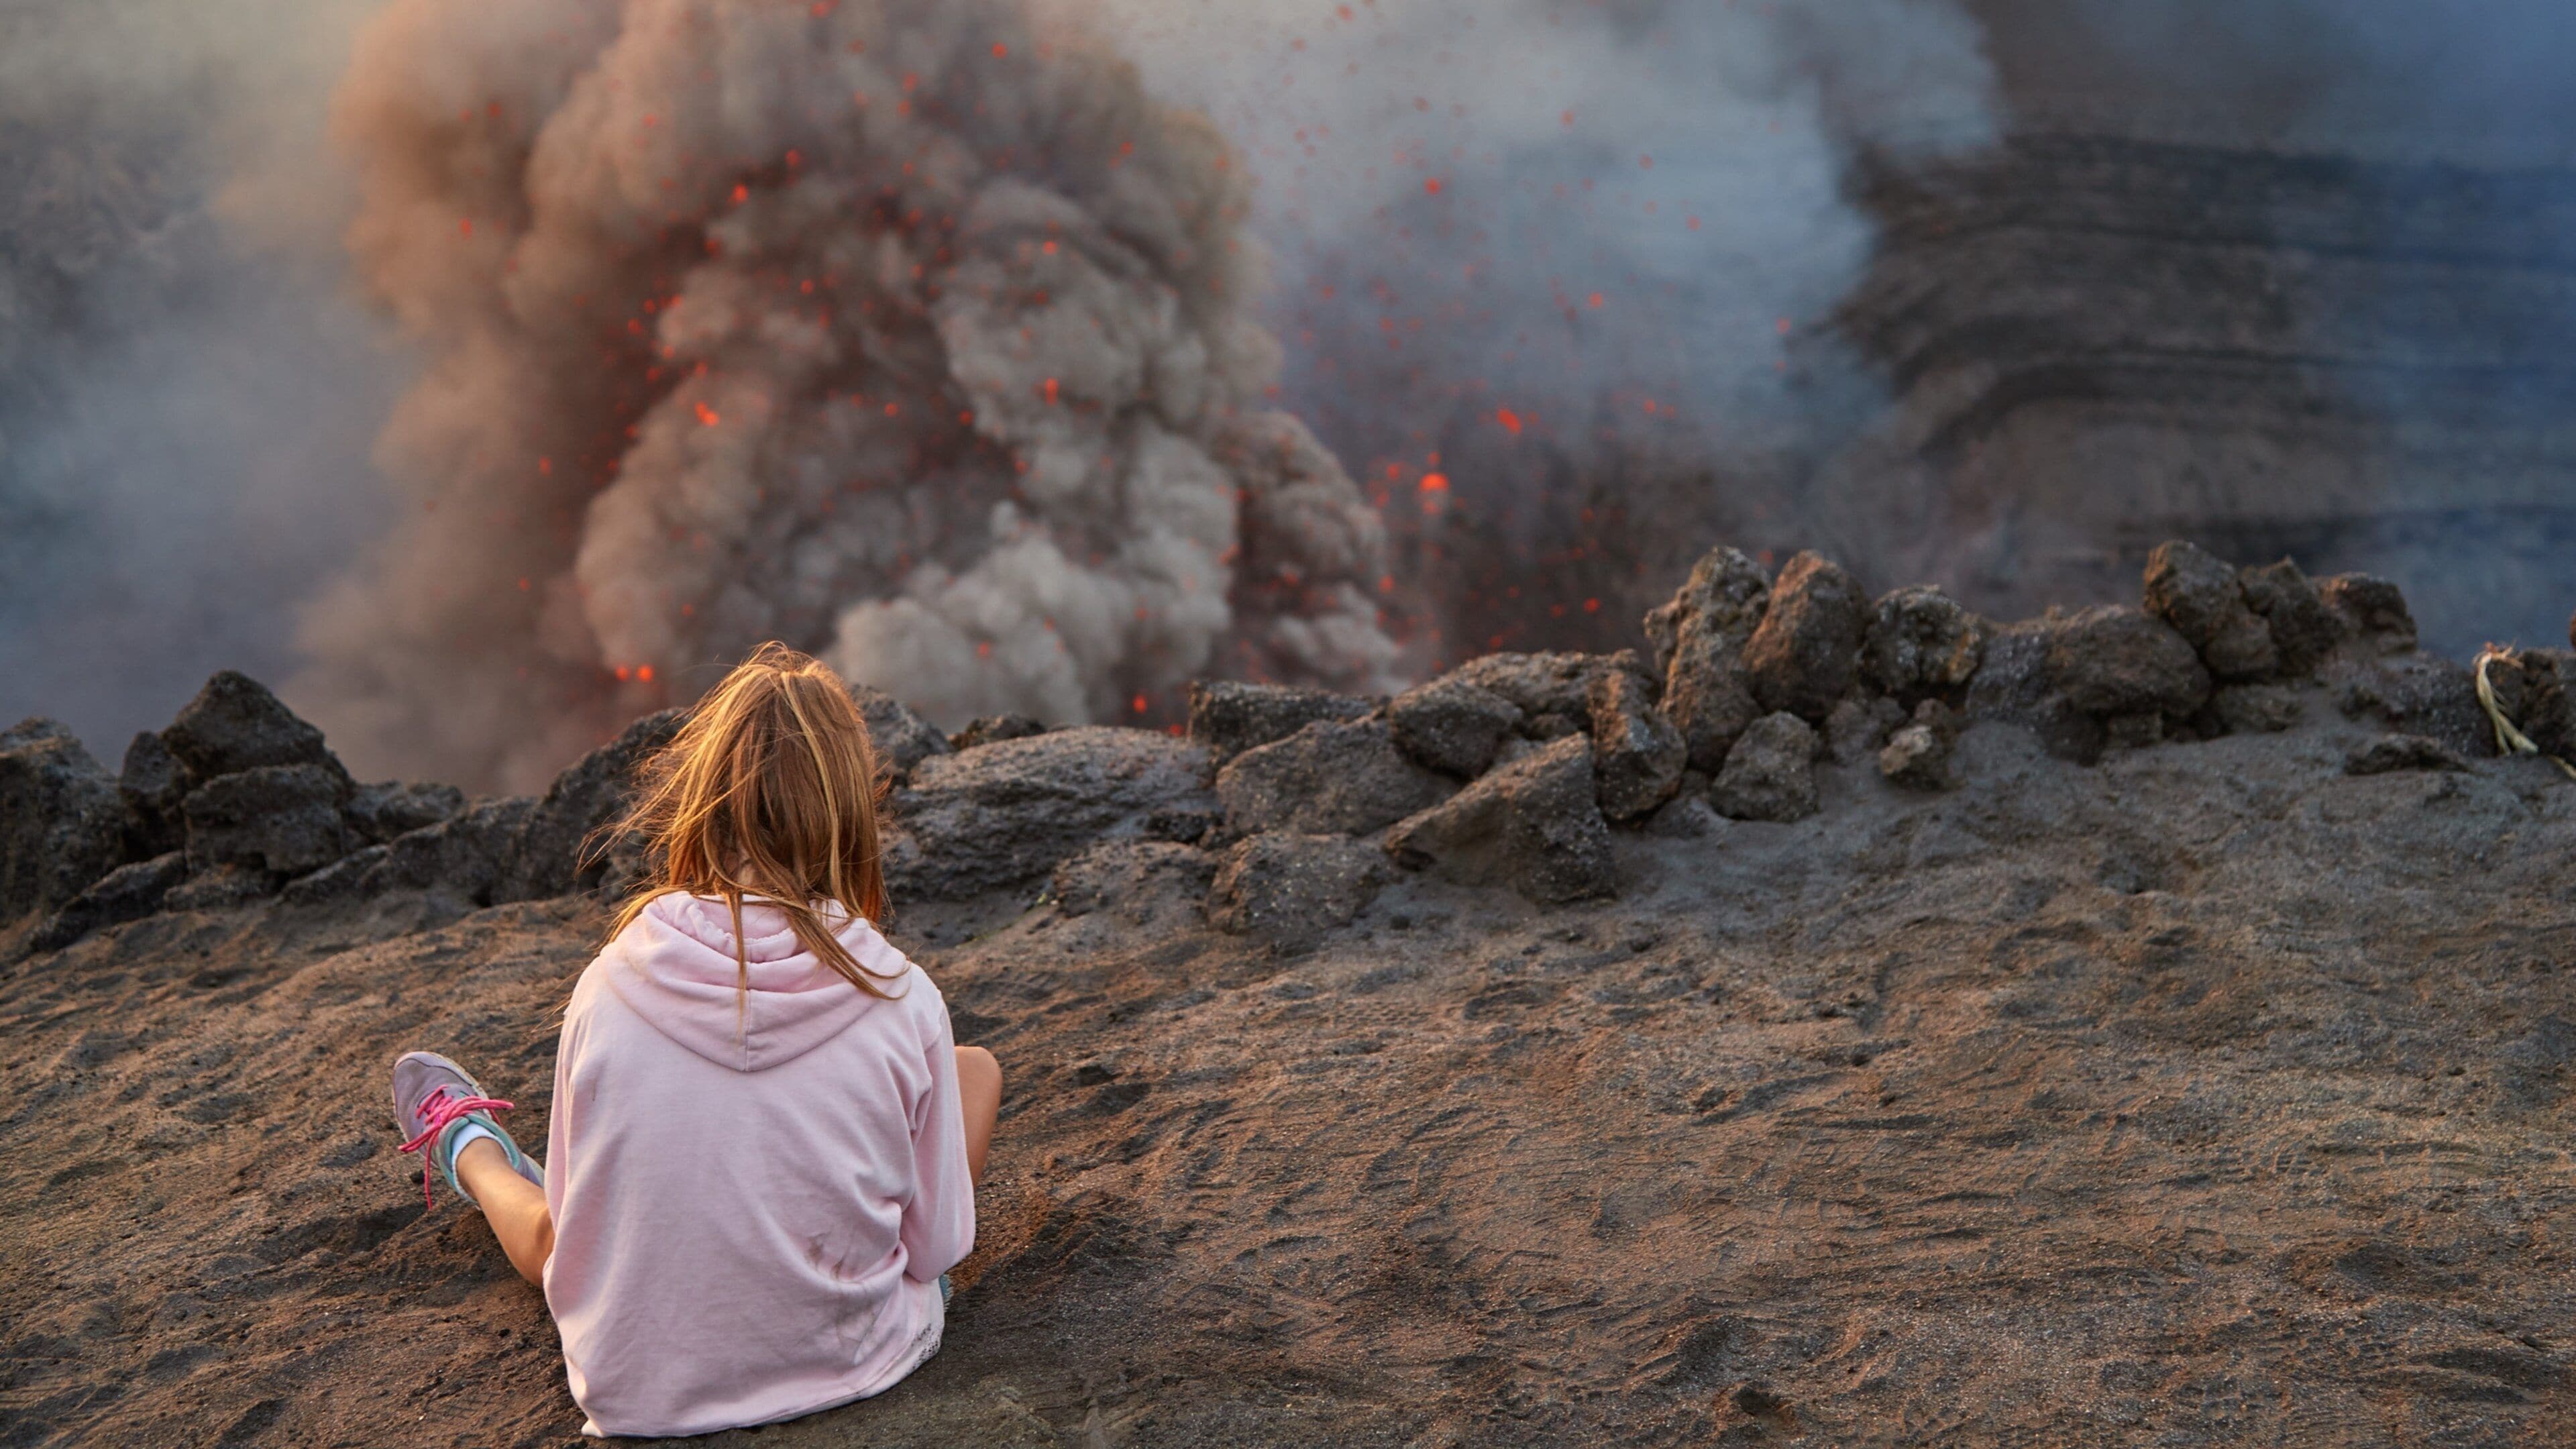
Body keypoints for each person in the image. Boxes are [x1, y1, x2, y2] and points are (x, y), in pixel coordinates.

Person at [386, 643, 1003, 1438]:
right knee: (972, 1069)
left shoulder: (611, 983)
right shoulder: (902, 997)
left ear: (705, 803)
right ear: (850, 814)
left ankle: (467, 1141)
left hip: (633, 1393)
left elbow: (578, 1242)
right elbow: (937, 1249)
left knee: (555, 1236)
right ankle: (473, 1145)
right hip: (855, 1363)